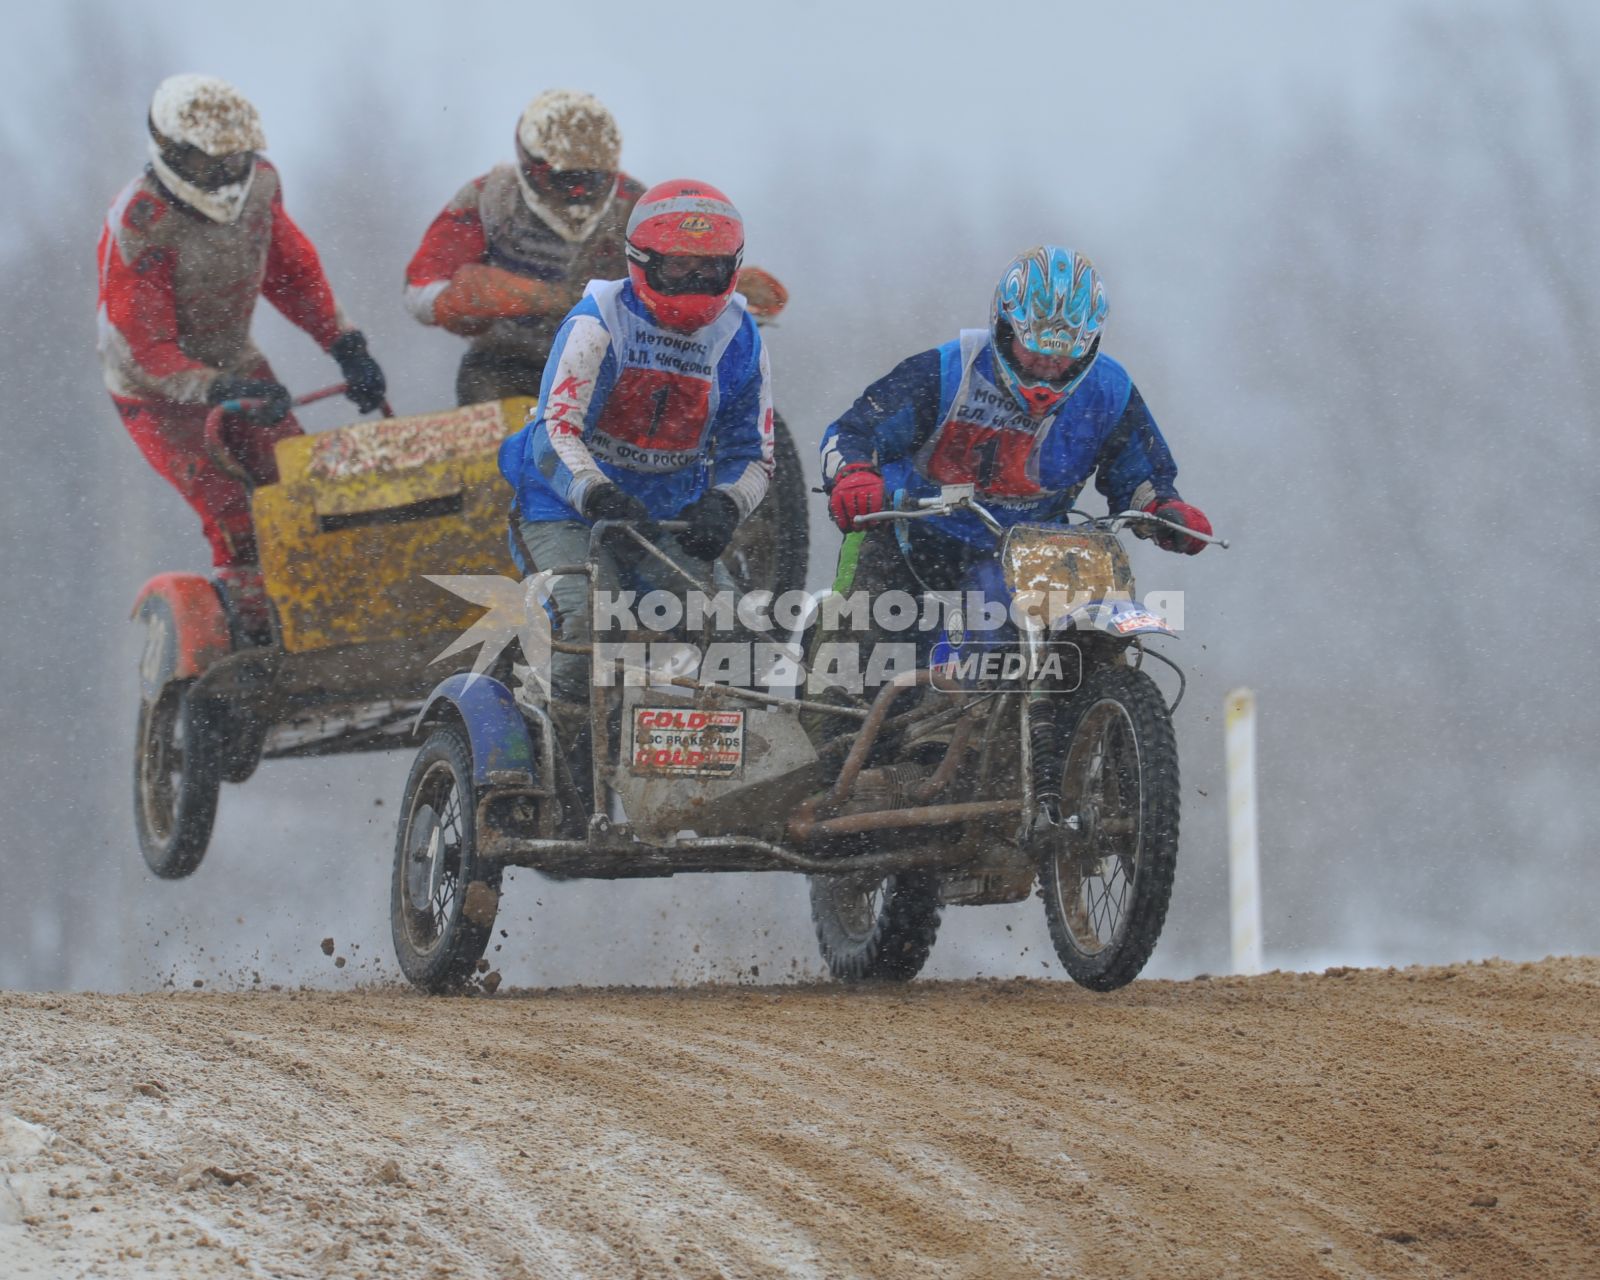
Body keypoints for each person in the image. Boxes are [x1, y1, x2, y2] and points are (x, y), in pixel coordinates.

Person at [813, 244, 1212, 699]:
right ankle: (826, 751)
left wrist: (1165, 509)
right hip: (912, 535)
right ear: (1004, 328)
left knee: (1063, 648)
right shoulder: (947, 370)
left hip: (1026, 552)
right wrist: (854, 475)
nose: (1046, 367)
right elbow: (852, 432)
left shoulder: (1109, 391)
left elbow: (1137, 474)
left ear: (1089, 345)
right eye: (1035, 350)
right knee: (856, 646)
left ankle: (1044, 729)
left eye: (1061, 356)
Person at [98, 73, 386, 630]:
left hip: (233, 361)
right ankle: (254, 636)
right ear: (172, 154)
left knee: (299, 488)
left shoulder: (261, 188)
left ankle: (336, 616)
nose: (227, 177)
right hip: (154, 392)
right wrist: (214, 388)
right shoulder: (141, 224)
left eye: (236, 160)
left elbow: (290, 272)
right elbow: (143, 349)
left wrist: (345, 344)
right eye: (211, 165)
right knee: (232, 508)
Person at [497, 179, 774, 706]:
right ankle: (553, 742)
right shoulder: (597, 322)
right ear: (641, 262)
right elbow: (554, 432)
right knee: (589, 623)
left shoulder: (741, 337)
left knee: (740, 643)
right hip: (561, 510)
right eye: (677, 269)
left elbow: (753, 454)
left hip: (663, 518)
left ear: (732, 267)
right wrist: (597, 495)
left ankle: (721, 773)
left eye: (708, 270)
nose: (693, 283)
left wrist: (724, 503)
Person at [406, 90, 789, 407]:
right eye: (565, 178)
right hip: (509, 362)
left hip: (620, 362)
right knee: (500, 458)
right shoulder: (488, 199)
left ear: (612, 168)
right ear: (530, 164)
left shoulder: (638, 206)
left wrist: (716, 286)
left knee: (692, 424)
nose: (578, 193)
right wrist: (456, 301)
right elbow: (419, 288)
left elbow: (675, 268)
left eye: (591, 179)